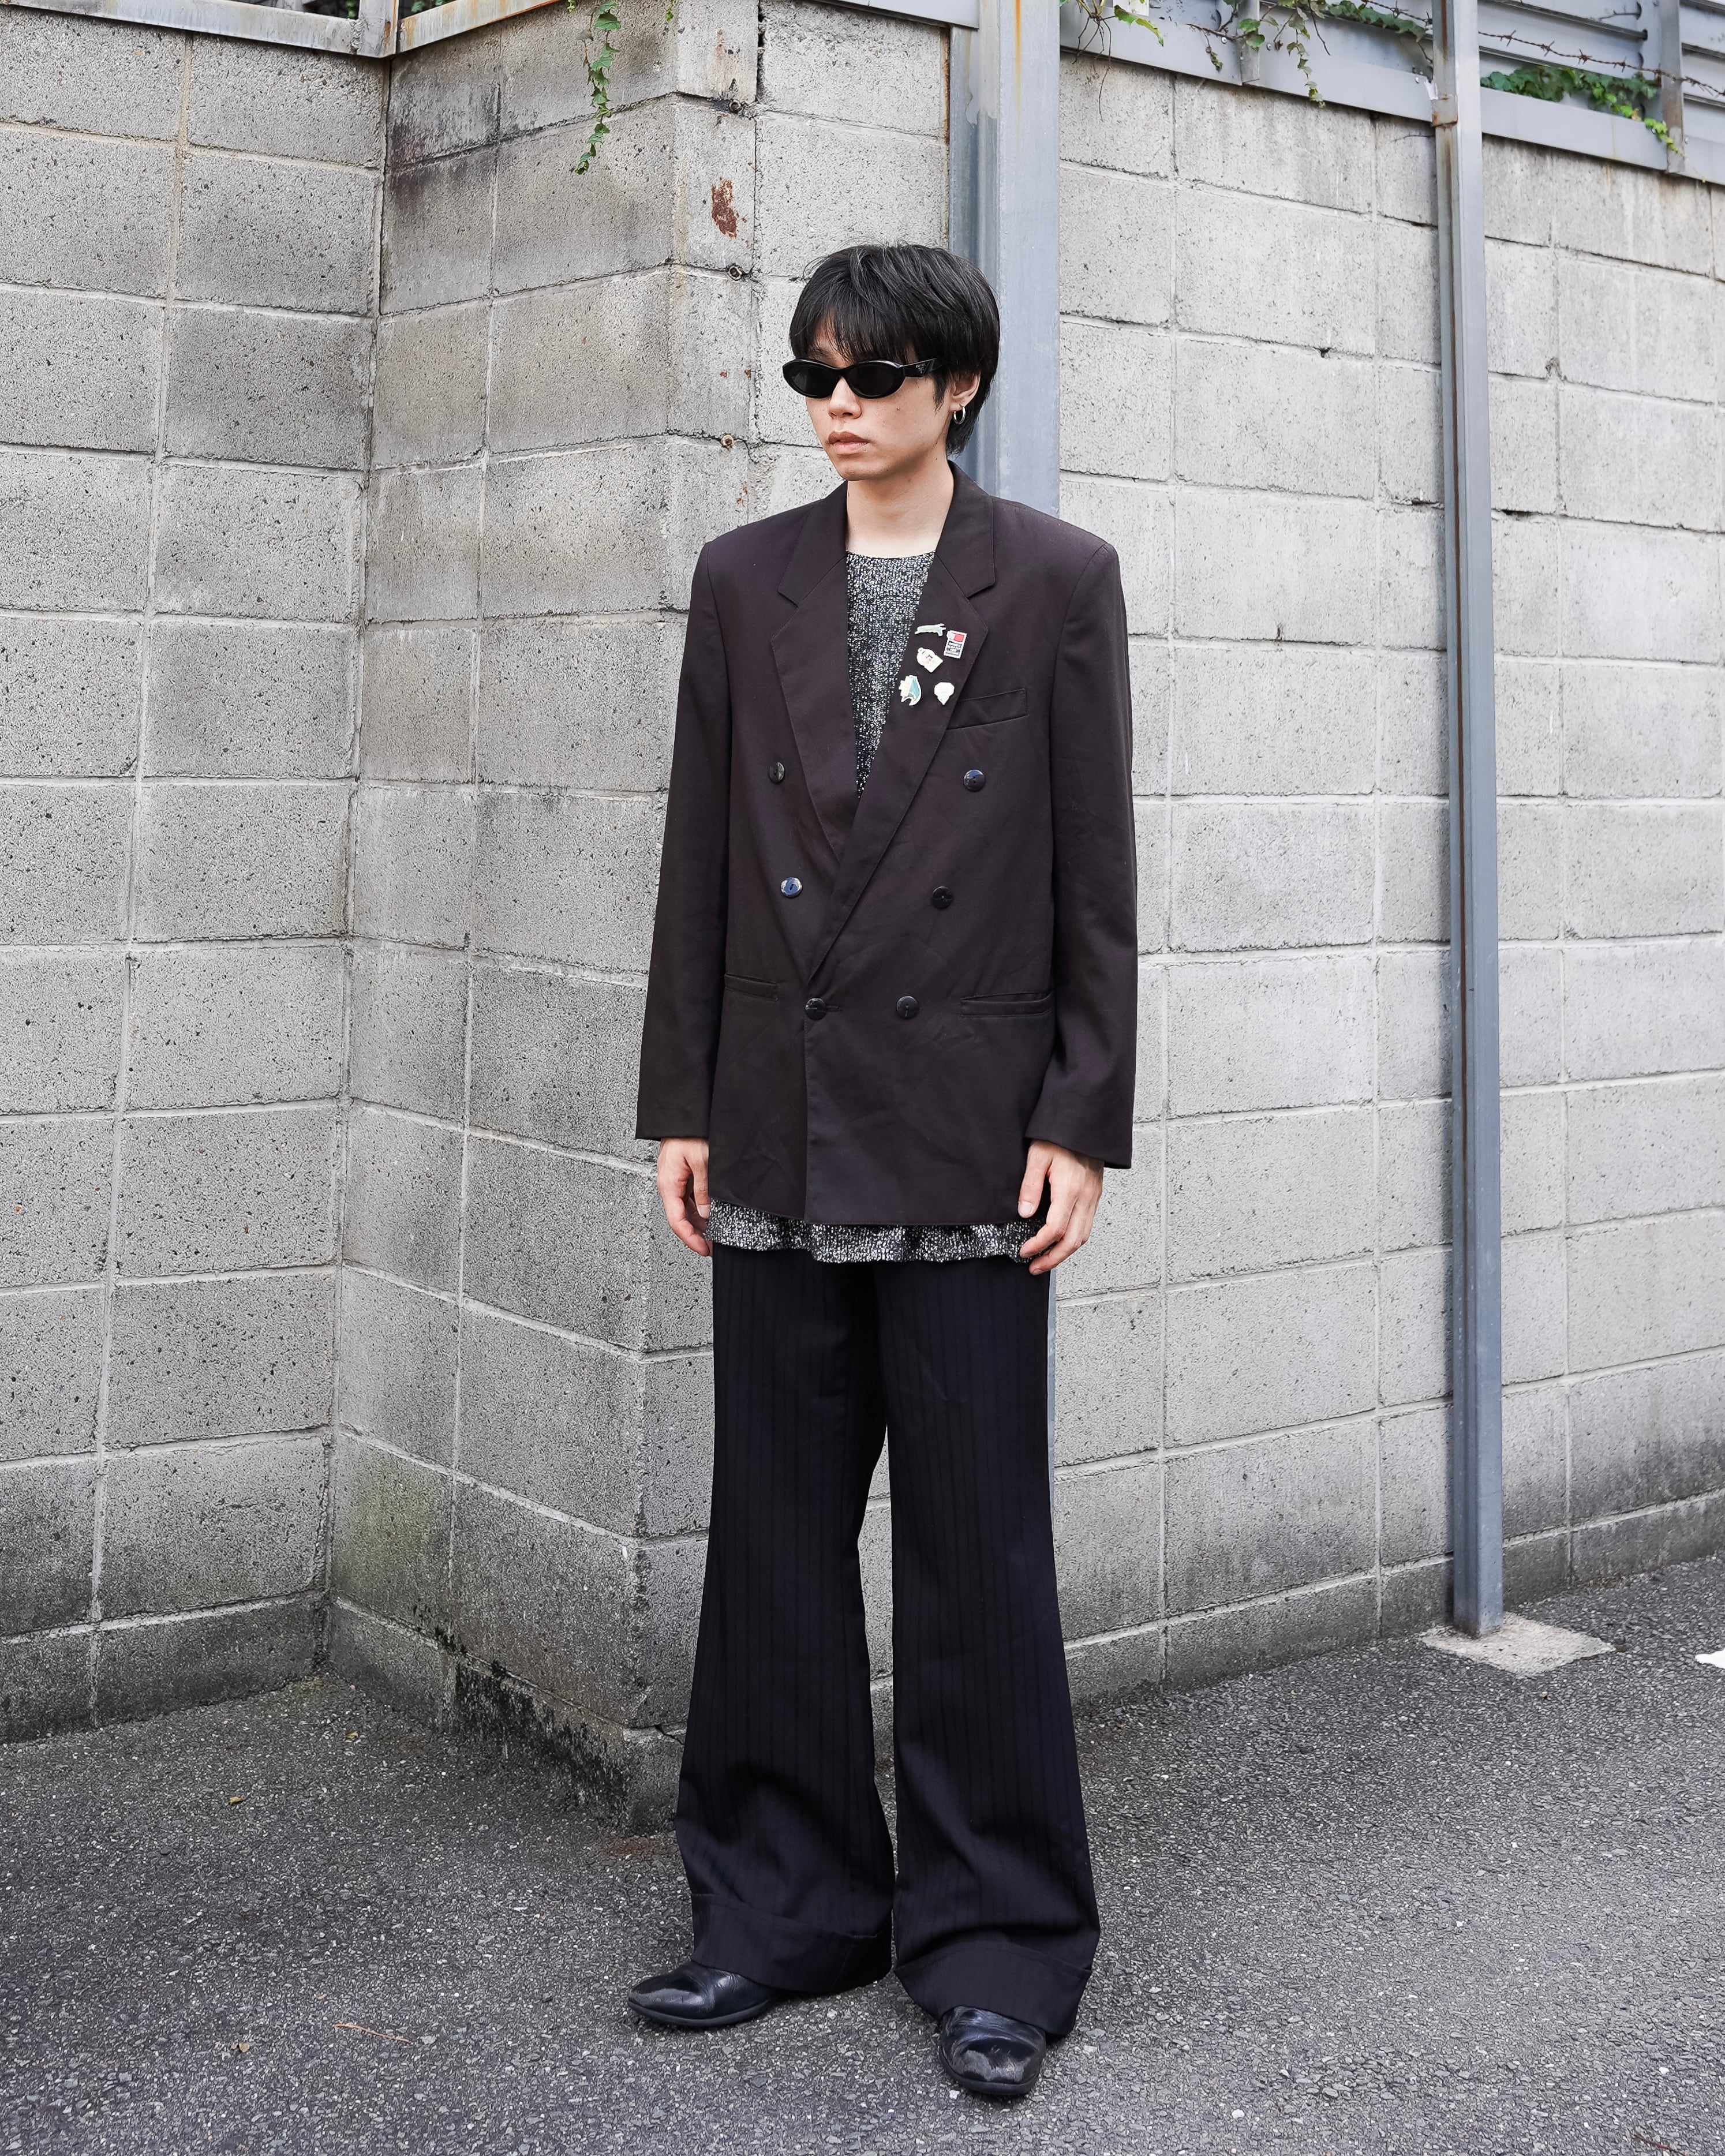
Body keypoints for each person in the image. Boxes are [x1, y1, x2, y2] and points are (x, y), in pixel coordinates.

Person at [628, 242, 1137, 2101]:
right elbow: (700, 852)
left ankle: (997, 1941)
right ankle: (780, 1906)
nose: (839, 407)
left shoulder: (1054, 580)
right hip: (775, 1114)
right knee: (772, 1531)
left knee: (976, 1544)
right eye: (814, 376)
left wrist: (1080, 1116)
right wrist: (681, 1100)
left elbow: (1095, 870)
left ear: (958, 387)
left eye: (875, 377)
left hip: (971, 1134)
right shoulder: (742, 577)